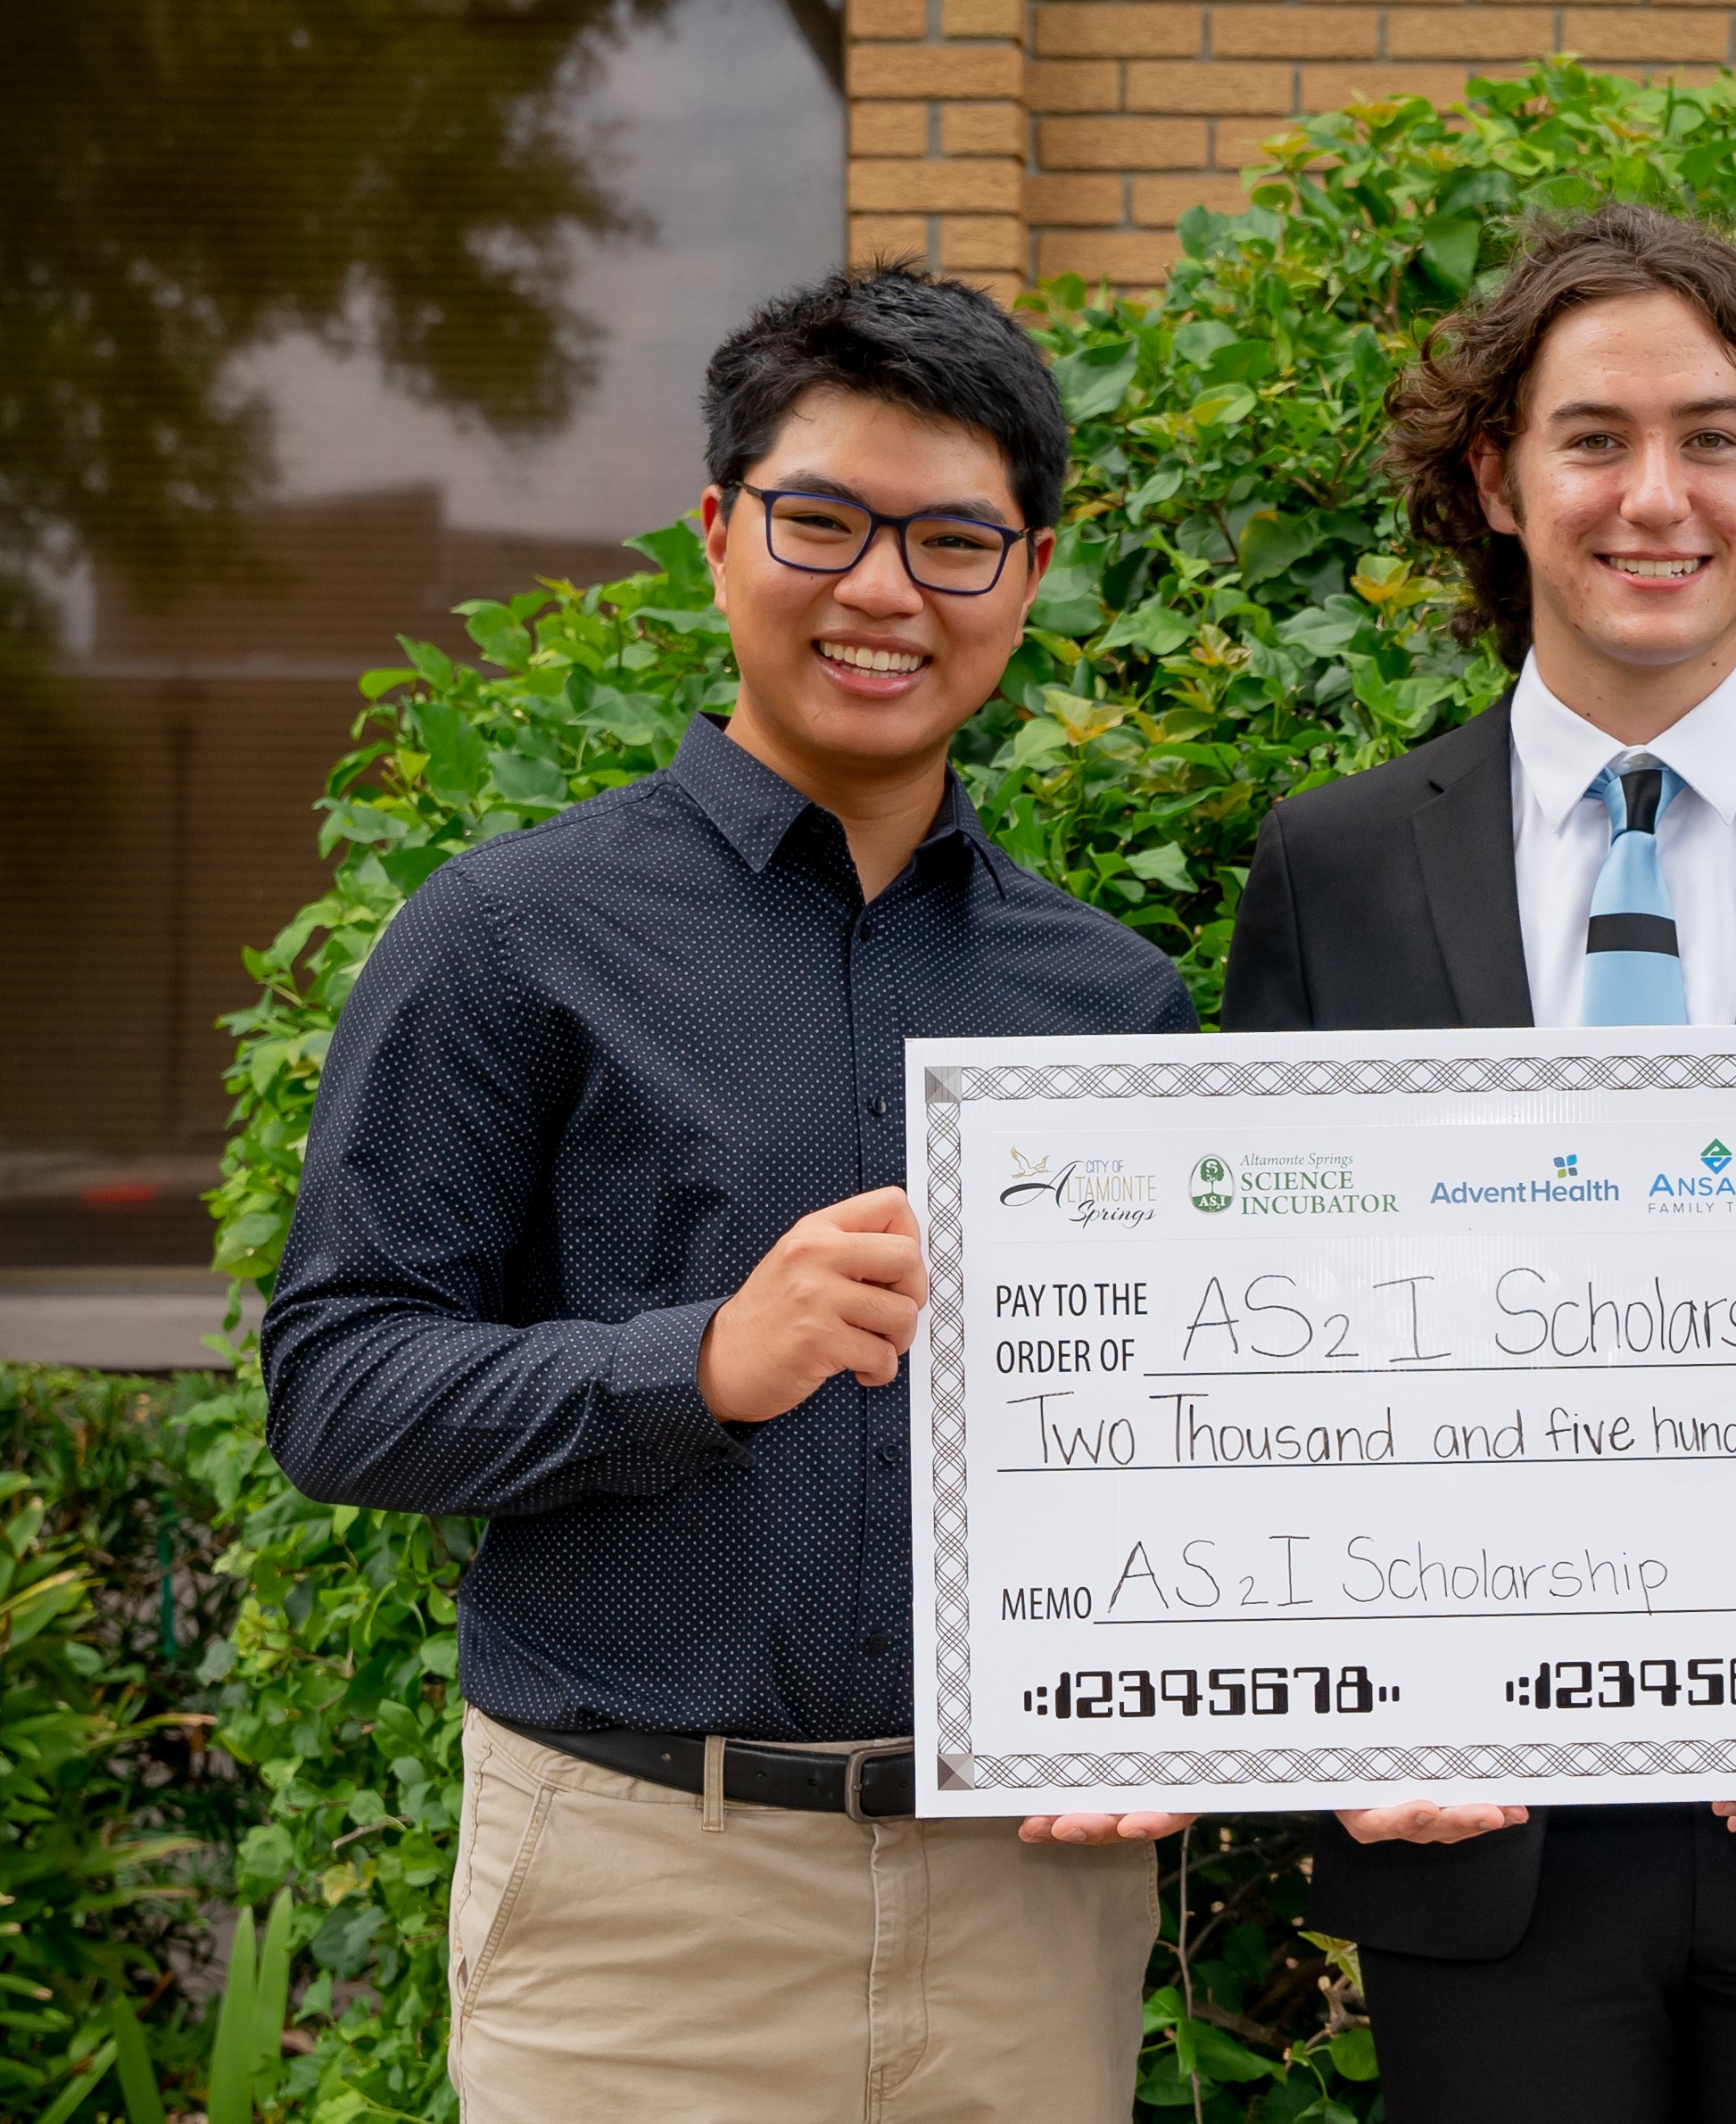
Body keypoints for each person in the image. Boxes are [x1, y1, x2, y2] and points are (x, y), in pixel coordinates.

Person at [261, 262, 1195, 2122]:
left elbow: (1170, 1434)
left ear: (1028, 576)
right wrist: (700, 1364)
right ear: (717, 531)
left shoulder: (1108, 996)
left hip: (1026, 1897)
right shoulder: (514, 937)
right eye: (823, 521)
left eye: (953, 541)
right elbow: (336, 1384)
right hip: (639, 1897)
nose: (881, 591)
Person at [1178, 203, 1736, 2121]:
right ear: (1496, 482)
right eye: (1594, 439)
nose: (1654, 495)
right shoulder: (1331, 867)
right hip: (1477, 1824)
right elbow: (1265, 1345)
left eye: (1714, 436)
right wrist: (1327, 1725)